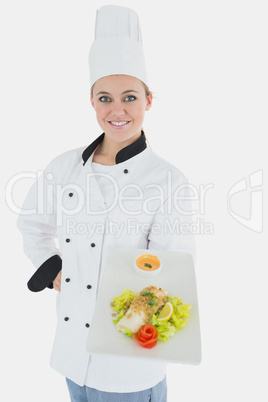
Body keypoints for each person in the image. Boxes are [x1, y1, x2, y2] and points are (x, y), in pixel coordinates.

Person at [17, 5, 195, 401]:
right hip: (71, 355)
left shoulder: (168, 181)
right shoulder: (64, 166)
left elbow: (170, 270)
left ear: (149, 100)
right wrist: (54, 271)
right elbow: (32, 225)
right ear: (92, 101)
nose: (117, 110)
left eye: (130, 97)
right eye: (105, 97)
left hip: (128, 365)